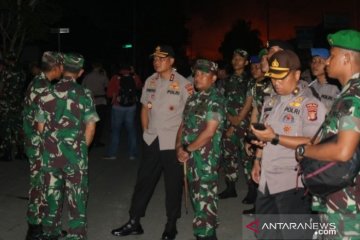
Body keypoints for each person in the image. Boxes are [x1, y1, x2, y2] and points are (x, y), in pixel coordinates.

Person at [110, 45, 193, 240]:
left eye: (161, 58)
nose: (156, 61)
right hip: (152, 139)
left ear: (171, 61)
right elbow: (145, 108)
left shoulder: (183, 84)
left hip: (172, 141)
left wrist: (182, 144)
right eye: (154, 59)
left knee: (173, 185)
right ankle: (134, 221)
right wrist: (146, 130)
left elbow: (189, 117)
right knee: (143, 181)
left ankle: (171, 224)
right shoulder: (150, 81)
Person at [250, 50, 326, 239]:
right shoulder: (270, 101)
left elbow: (312, 141)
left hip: (291, 183)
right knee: (265, 233)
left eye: (281, 78)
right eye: (273, 78)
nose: (276, 83)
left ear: (297, 75)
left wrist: (275, 137)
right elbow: (264, 135)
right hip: (266, 181)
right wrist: (257, 160)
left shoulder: (310, 105)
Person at [296, 29, 360, 239]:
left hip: (347, 201)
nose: (326, 62)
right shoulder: (350, 92)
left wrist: (306, 150)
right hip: (342, 191)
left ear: (348, 58)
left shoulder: (353, 97)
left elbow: (343, 150)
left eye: (332, 56)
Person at [36, 53, 99, 239]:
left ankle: (51, 233)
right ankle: (75, 235)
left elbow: (40, 127)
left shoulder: (46, 93)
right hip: (75, 155)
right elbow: (91, 127)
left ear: (62, 69)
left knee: (51, 196)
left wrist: (51, 144)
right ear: (80, 72)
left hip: (51, 154)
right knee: (77, 197)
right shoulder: (84, 94)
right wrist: (80, 149)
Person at [176, 59, 225, 240]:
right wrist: (178, 147)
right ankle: (206, 229)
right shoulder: (193, 98)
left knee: (205, 199)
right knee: (199, 198)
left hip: (205, 159)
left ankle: (206, 235)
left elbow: (209, 132)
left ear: (213, 78)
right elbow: (183, 125)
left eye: (204, 74)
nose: (198, 77)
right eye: (196, 73)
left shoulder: (216, 99)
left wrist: (187, 149)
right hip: (190, 156)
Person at [23, 51, 64, 240]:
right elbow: (45, 124)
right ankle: (37, 230)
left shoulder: (38, 83)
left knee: (39, 185)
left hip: (34, 142)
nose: (63, 70)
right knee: (42, 186)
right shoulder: (43, 88)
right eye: (61, 67)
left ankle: (38, 228)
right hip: (41, 144)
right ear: (55, 68)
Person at [219, 48, 252, 199]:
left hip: (243, 124)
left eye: (239, 59)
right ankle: (230, 188)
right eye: (234, 58)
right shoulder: (226, 80)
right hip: (229, 123)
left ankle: (252, 190)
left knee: (247, 157)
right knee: (229, 156)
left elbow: (249, 102)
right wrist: (229, 119)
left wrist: (236, 121)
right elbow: (222, 101)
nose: (235, 61)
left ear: (246, 62)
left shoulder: (250, 81)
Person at [242, 51, 271, 215]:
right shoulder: (256, 86)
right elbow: (255, 110)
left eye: (262, 63)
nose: (258, 66)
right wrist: (250, 136)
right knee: (259, 169)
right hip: (260, 133)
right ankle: (259, 206)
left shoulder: (276, 83)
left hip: (274, 135)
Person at [103, 64, 142, 160]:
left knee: (115, 131)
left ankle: (112, 154)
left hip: (117, 106)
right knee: (131, 130)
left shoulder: (115, 77)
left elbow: (108, 94)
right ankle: (132, 154)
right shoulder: (134, 77)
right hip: (131, 106)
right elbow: (140, 87)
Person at [0, 52, 27, 161]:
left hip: (6, 103)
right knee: (18, 127)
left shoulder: (5, 72)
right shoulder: (22, 72)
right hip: (18, 102)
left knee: (6, 127)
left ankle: (7, 153)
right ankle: (21, 152)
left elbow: (1, 87)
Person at [82, 61, 109, 147]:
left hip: (90, 101)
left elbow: (82, 87)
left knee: (89, 122)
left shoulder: (87, 76)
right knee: (99, 123)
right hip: (100, 101)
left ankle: (89, 140)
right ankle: (97, 141)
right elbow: (107, 86)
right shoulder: (102, 76)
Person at [309, 48, 340, 112]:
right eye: (314, 61)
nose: (315, 65)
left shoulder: (337, 88)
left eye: (320, 61)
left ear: (328, 64)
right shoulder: (309, 87)